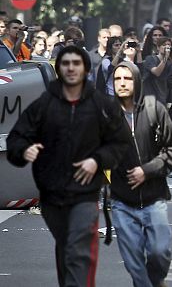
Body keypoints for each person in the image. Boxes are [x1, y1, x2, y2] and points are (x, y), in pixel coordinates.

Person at [6, 46, 131, 287]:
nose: (71, 68)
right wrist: (24, 150)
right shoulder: (44, 104)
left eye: (76, 63)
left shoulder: (101, 104)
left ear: (85, 68)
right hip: (51, 193)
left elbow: (120, 143)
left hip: (85, 193)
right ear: (59, 68)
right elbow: (16, 137)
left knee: (78, 248)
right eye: (66, 63)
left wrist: (97, 160)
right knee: (66, 248)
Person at [110, 61, 172, 287]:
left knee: (160, 253)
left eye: (127, 78)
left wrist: (147, 171)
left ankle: (157, 281)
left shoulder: (154, 108)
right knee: (134, 263)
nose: (122, 83)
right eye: (117, 79)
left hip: (154, 197)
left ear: (137, 81)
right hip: (122, 201)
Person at [142, 37, 172, 105]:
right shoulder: (150, 59)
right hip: (150, 98)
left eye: (168, 45)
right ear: (158, 47)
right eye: (164, 45)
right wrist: (166, 57)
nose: (166, 47)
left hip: (163, 98)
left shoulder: (169, 63)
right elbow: (157, 72)